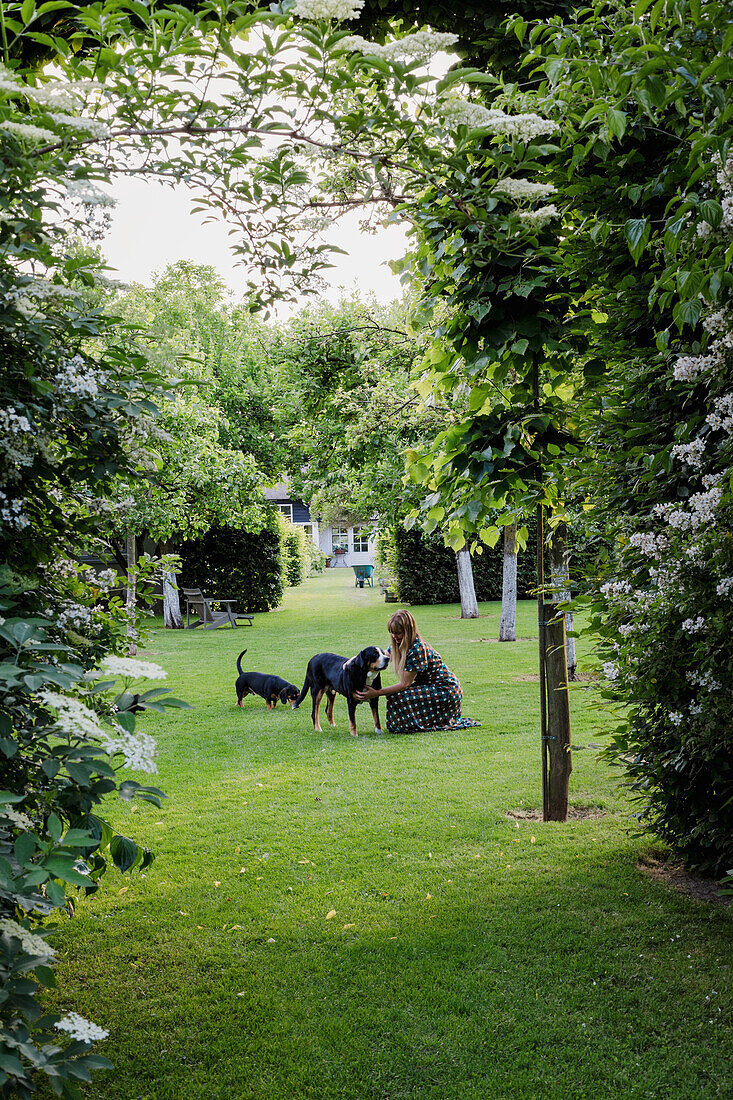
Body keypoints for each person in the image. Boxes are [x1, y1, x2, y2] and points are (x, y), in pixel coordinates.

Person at [354, 609, 480, 734]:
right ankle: (410, 725)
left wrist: (377, 693)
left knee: (400, 697)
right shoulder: (399, 643)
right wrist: (354, 661)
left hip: (445, 689)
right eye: (392, 633)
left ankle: (415, 725)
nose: (394, 636)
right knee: (394, 696)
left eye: (398, 633)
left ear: (408, 630)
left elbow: (405, 684)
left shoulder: (416, 649)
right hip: (430, 685)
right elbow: (385, 656)